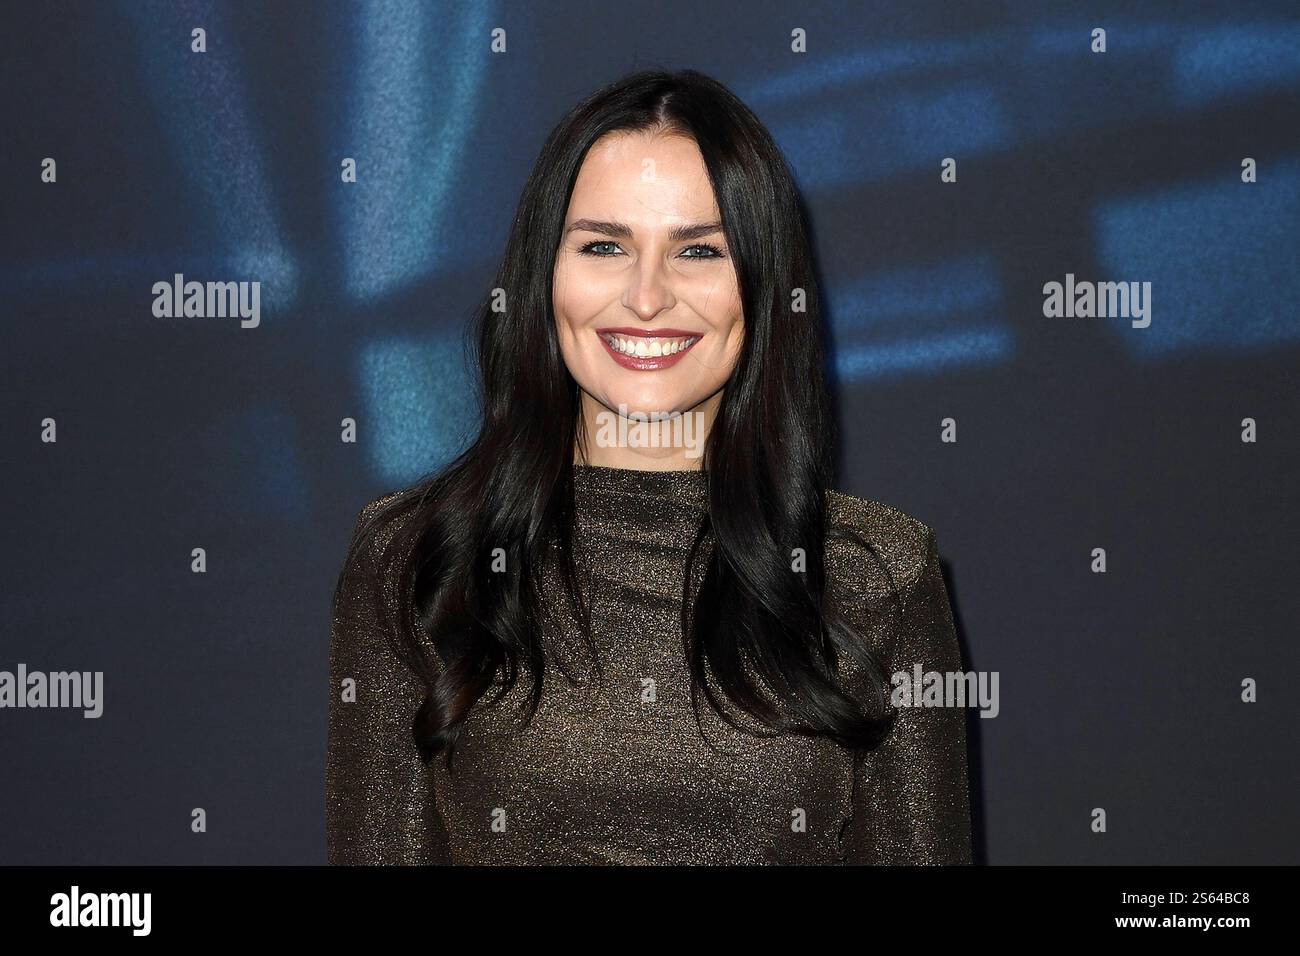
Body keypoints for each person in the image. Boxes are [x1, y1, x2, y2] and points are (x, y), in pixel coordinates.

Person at [325, 68, 972, 865]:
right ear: (543, 277)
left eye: (699, 250)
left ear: (762, 288)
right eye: (604, 245)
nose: (646, 296)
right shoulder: (414, 556)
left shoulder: (872, 571)